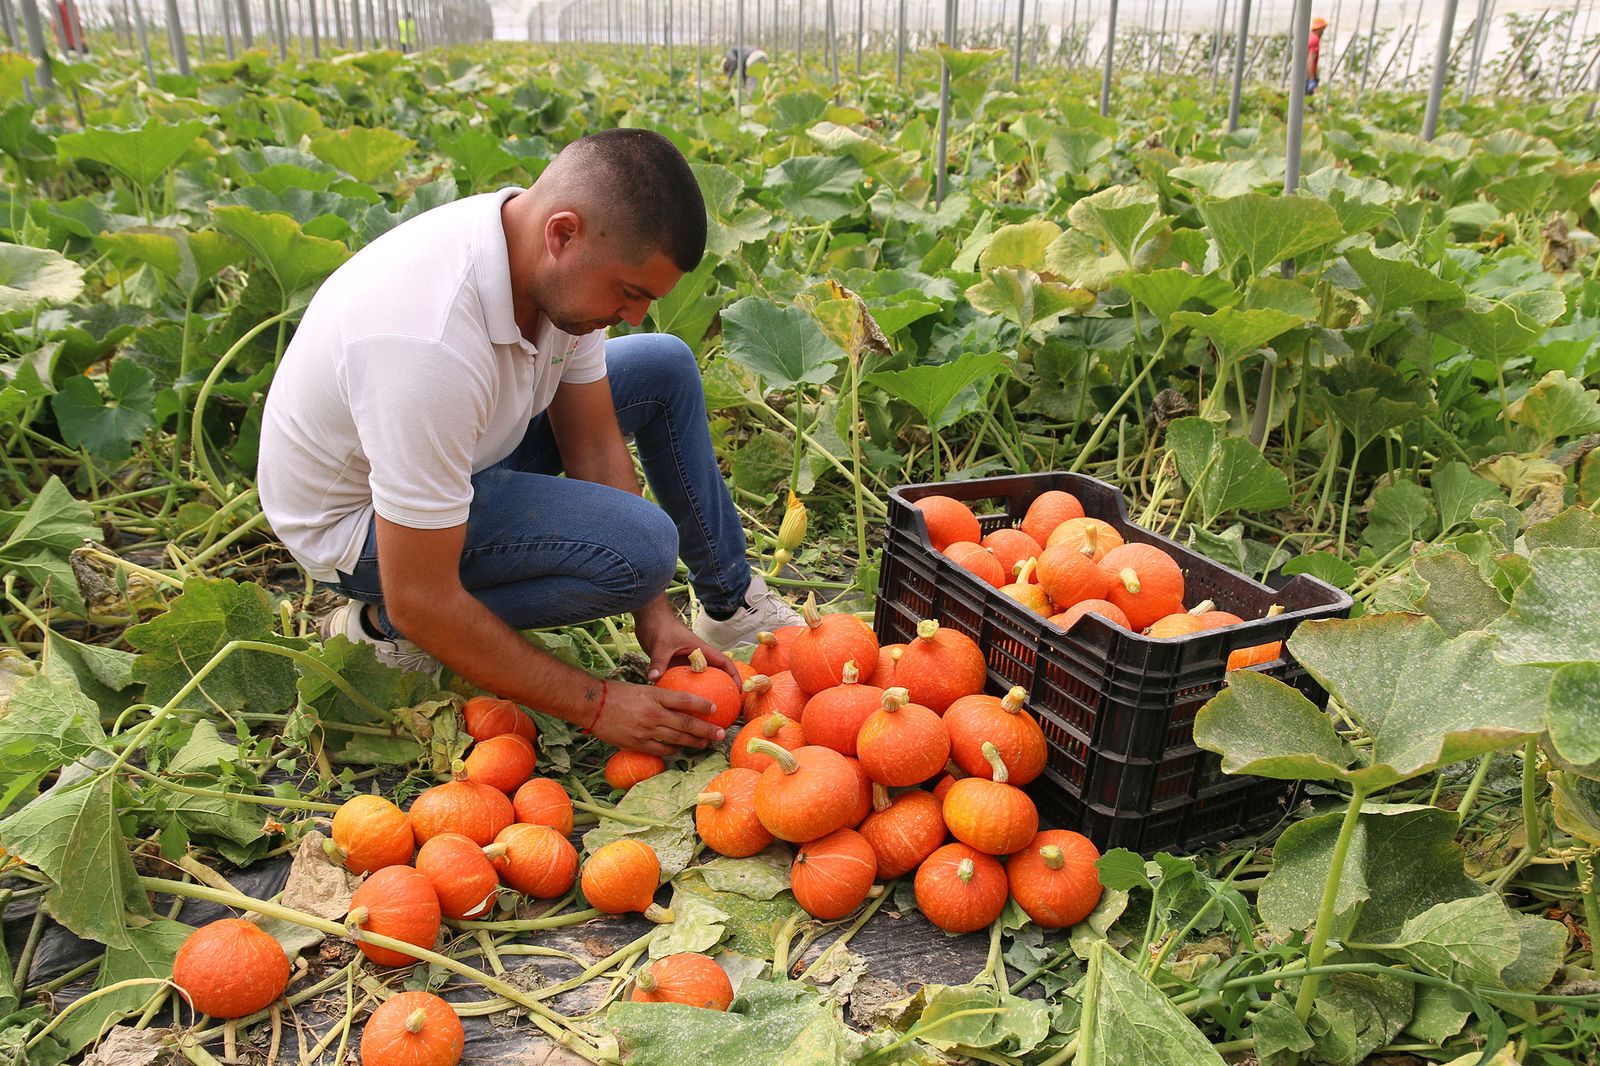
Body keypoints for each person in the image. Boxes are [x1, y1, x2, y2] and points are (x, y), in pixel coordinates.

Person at [258, 129, 802, 758]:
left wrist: (655, 614)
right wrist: (598, 704)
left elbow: (593, 441)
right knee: (640, 548)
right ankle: (379, 631)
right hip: (361, 530)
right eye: (629, 293)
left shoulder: (557, 269)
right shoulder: (426, 343)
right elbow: (421, 594)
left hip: (464, 448)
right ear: (562, 233)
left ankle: (730, 608)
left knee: (664, 364)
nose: (632, 315)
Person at [1306, 16, 1327, 95]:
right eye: (1323, 29)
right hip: (1308, 77)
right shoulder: (1315, 40)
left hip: (1305, 76)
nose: (1323, 32)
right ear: (1319, 29)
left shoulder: (1309, 37)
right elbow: (1310, 61)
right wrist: (1311, 80)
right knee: (1306, 103)